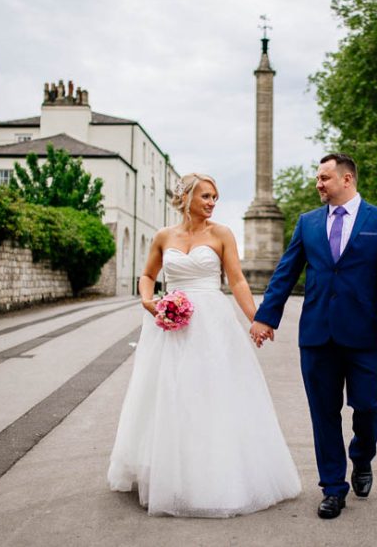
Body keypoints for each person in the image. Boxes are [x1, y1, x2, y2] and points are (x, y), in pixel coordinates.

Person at [107, 173, 301, 517]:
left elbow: (238, 280)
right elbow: (148, 275)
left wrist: (257, 318)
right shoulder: (164, 236)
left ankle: (215, 476)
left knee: (210, 394)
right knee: (169, 394)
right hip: (169, 324)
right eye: (207, 196)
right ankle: (172, 474)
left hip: (211, 322)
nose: (212, 203)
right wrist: (149, 301)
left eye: (215, 197)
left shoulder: (222, 234)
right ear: (187, 197)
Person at [250, 153, 377, 520]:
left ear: (347, 179)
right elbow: (286, 273)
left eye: (324, 178)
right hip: (317, 335)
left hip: (364, 335)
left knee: (368, 407)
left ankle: (362, 457)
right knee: (324, 414)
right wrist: (265, 317)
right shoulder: (307, 224)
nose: (318, 184)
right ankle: (333, 488)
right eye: (318, 178)